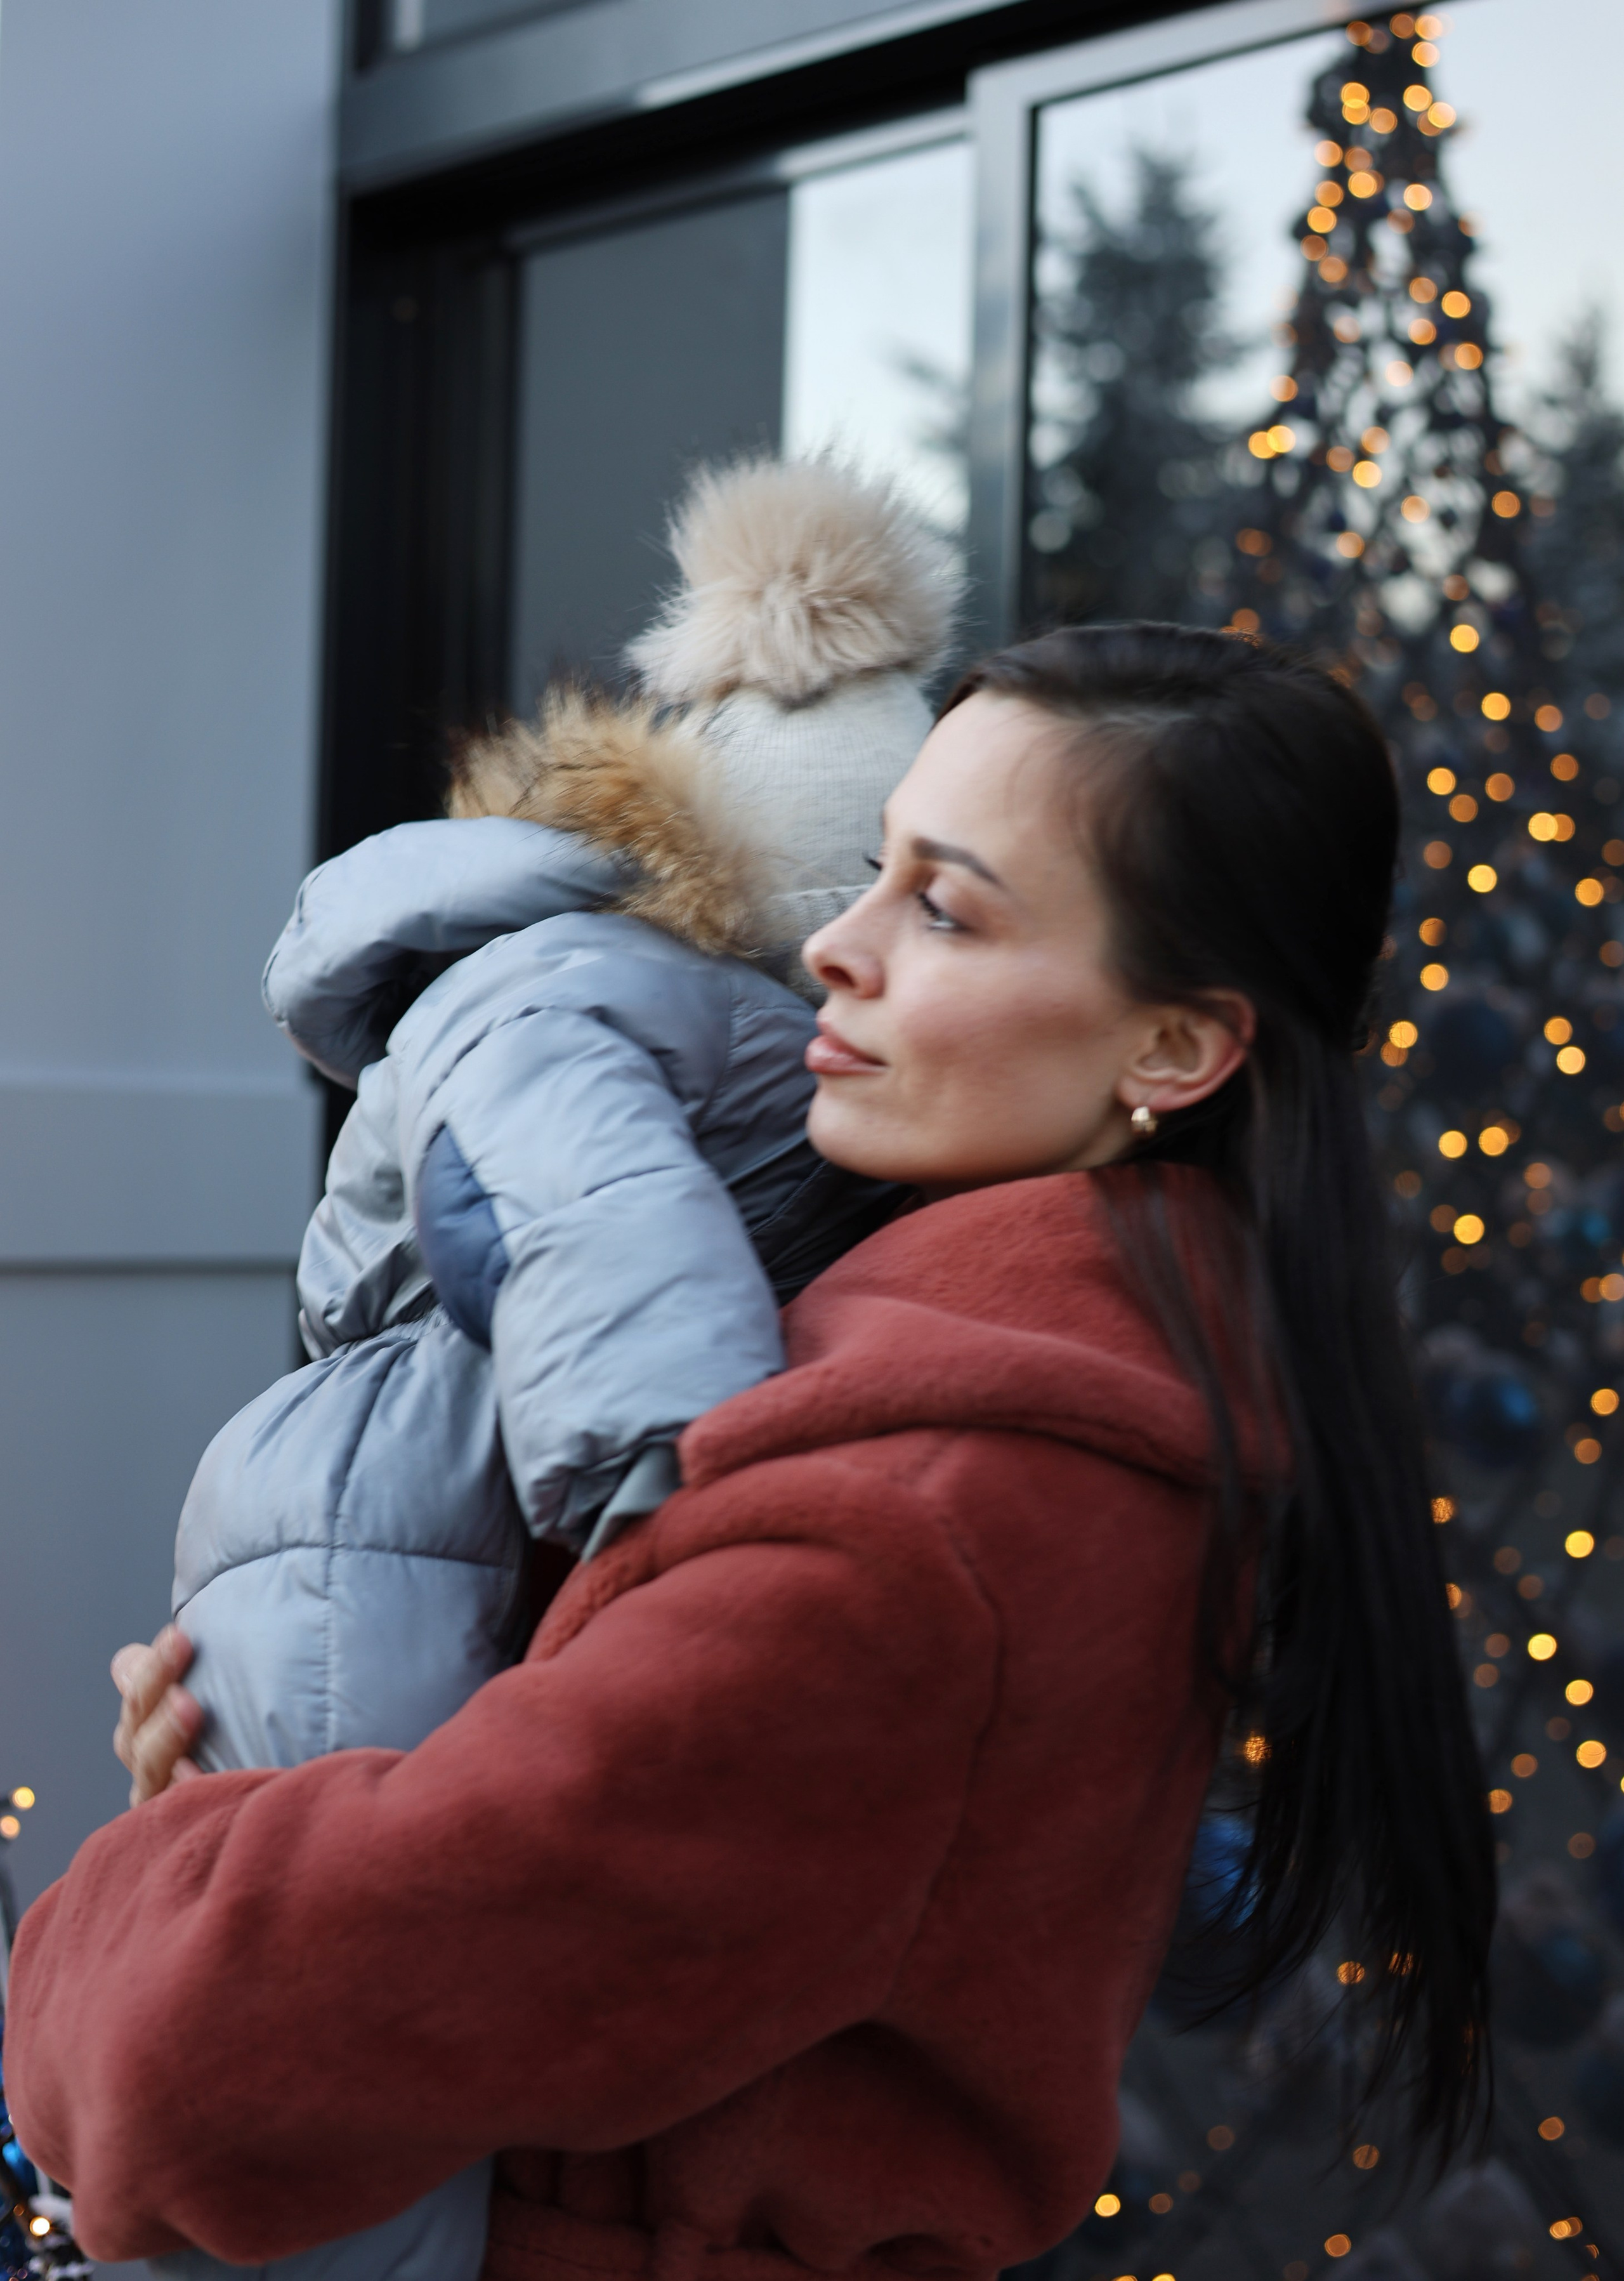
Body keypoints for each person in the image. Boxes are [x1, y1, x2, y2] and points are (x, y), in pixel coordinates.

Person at [7, 623, 1494, 2281]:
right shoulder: (984, 1399)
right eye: (874, 871)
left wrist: (164, 1860)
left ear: (1176, 1048)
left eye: (948, 906)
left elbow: (205, 2064)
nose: (837, 949)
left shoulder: (917, 1518)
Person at [143, 454, 955, 2281]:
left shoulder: (636, 995)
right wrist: (678, 1483)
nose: (872, 964)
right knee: (345, 2051)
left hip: (379, 1485)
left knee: (332, 1989)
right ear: (785, 892)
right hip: (383, 1513)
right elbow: (597, 1219)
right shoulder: (581, 991)